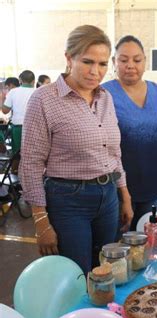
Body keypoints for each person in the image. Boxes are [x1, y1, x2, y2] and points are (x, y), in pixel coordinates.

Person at [19, 25, 133, 275]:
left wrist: (124, 195)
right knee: (77, 274)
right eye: (88, 62)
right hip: (68, 200)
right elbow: (30, 163)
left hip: (108, 195)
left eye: (103, 64)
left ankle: (101, 315)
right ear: (69, 58)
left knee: (106, 270)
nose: (96, 72)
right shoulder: (44, 99)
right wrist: (41, 221)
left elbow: (114, 153)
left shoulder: (106, 98)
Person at [102, 35, 157, 230]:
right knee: (115, 246)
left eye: (137, 60)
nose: (130, 65)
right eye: (123, 60)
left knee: (147, 239)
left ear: (145, 61)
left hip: (151, 182)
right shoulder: (103, 94)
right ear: (114, 62)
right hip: (114, 187)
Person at [2, 70, 35, 155]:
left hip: (18, 128)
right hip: (34, 128)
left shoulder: (13, 92)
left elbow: (5, 111)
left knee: (16, 155)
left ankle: (15, 168)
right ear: (33, 81)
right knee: (33, 154)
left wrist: (2, 99)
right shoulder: (38, 92)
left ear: (20, 80)